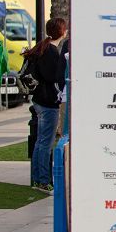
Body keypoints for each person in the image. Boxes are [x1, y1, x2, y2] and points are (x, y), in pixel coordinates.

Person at [23, 17, 68, 193]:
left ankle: (37, 179)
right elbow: (53, 77)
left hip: (39, 101)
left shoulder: (43, 48)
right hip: (47, 102)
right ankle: (43, 180)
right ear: (62, 32)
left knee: (40, 142)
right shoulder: (50, 51)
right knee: (45, 143)